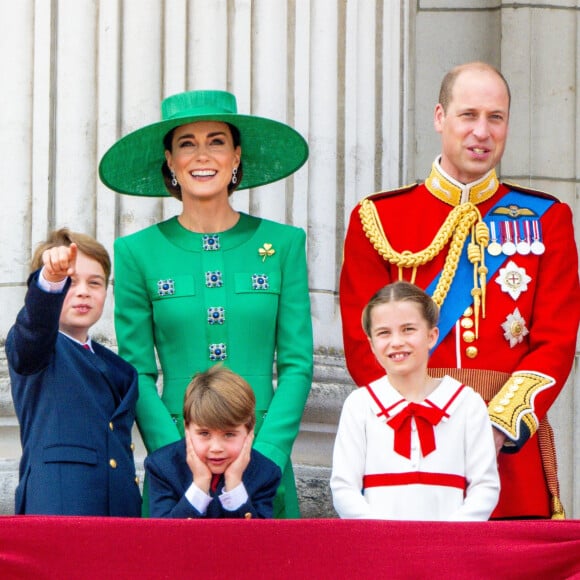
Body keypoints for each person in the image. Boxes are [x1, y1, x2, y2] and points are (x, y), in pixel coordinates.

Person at [339, 62, 580, 519]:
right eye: (468, 115)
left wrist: (495, 426)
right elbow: (360, 340)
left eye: (496, 117)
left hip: (506, 455)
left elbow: (556, 342)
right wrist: (424, 421)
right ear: (439, 118)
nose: (482, 132)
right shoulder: (378, 219)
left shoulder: (547, 219)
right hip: (408, 448)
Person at [99, 90, 313, 518]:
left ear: (236, 156)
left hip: (263, 453)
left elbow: (297, 364)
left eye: (216, 141)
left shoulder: (285, 244)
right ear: (170, 161)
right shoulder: (136, 252)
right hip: (177, 465)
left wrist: (267, 452)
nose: (203, 155)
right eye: (187, 143)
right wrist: (174, 456)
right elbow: (138, 369)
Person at [331, 281, 499, 520]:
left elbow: (485, 486)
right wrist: (380, 535)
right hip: (380, 548)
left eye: (408, 329)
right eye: (383, 333)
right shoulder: (360, 405)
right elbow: (343, 487)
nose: (396, 341)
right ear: (371, 343)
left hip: (451, 548)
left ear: (432, 336)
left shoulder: (467, 403)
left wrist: (450, 537)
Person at [5, 228, 142, 516]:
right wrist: (50, 281)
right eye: (70, 280)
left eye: (95, 283)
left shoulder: (117, 366)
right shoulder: (38, 347)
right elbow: (34, 328)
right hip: (59, 509)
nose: (83, 291)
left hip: (117, 514)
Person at [145, 366, 281, 518]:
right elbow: (164, 537)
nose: (216, 448)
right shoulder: (162, 466)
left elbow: (258, 539)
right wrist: (200, 484)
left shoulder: (265, 472)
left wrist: (234, 484)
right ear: (187, 428)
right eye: (204, 433)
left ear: (249, 431)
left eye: (229, 434)